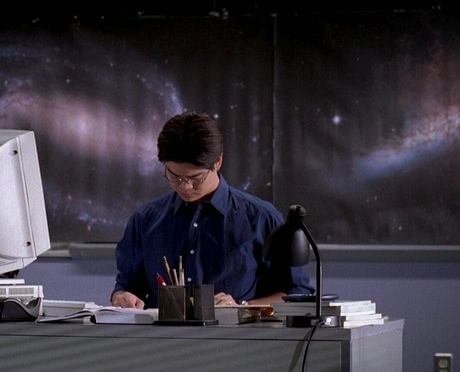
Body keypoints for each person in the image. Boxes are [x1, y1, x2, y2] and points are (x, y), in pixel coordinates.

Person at [111, 112, 313, 309]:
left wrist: (242, 307)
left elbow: (295, 293)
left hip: (237, 330)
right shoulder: (145, 219)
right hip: (161, 331)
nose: (185, 187)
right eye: (174, 176)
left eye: (196, 178)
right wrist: (122, 297)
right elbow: (126, 286)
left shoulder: (261, 218)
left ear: (218, 162)